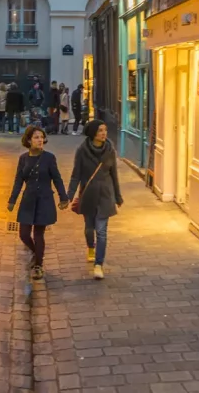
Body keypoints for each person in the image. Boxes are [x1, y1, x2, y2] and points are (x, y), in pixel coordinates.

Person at [8, 125, 69, 281]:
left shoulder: (49, 158)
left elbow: (57, 178)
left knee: (38, 234)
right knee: (23, 234)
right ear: (29, 140)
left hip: (44, 200)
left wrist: (63, 197)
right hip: (28, 200)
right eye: (36, 137)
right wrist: (12, 200)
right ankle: (37, 253)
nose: (40, 140)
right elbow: (18, 180)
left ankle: (38, 265)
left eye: (41, 137)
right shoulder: (23, 159)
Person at [67, 119, 123, 280]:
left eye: (105, 130)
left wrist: (117, 196)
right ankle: (90, 246)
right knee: (89, 229)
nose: (104, 133)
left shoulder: (110, 150)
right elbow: (76, 175)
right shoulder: (82, 151)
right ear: (93, 133)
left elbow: (114, 174)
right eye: (100, 131)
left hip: (105, 194)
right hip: (88, 194)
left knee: (102, 231)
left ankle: (99, 264)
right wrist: (69, 195)